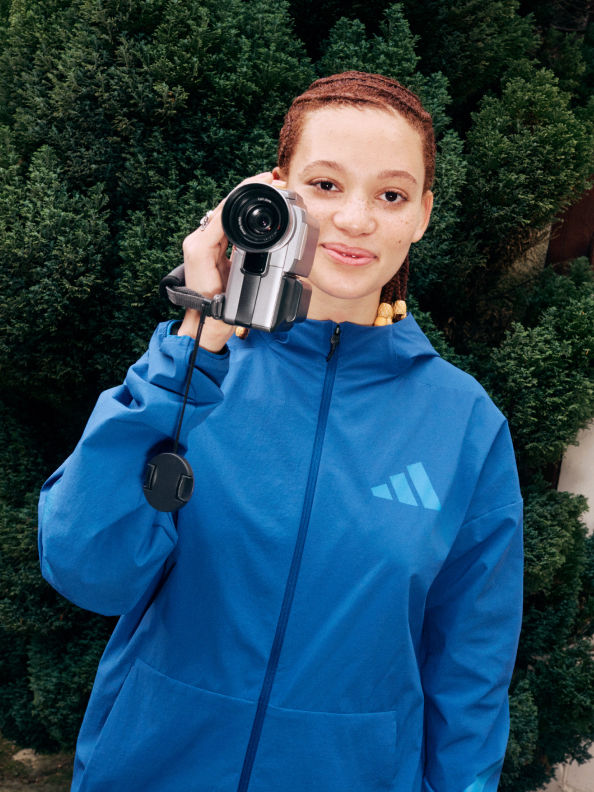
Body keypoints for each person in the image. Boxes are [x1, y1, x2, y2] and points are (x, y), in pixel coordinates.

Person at [38, 72, 523, 792]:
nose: (356, 220)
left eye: (390, 195)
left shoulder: (465, 425)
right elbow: (85, 567)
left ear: (422, 215)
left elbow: (470, 674)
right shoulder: (193, 373)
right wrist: (196, 335)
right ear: (275, 193)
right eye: (326, 185)